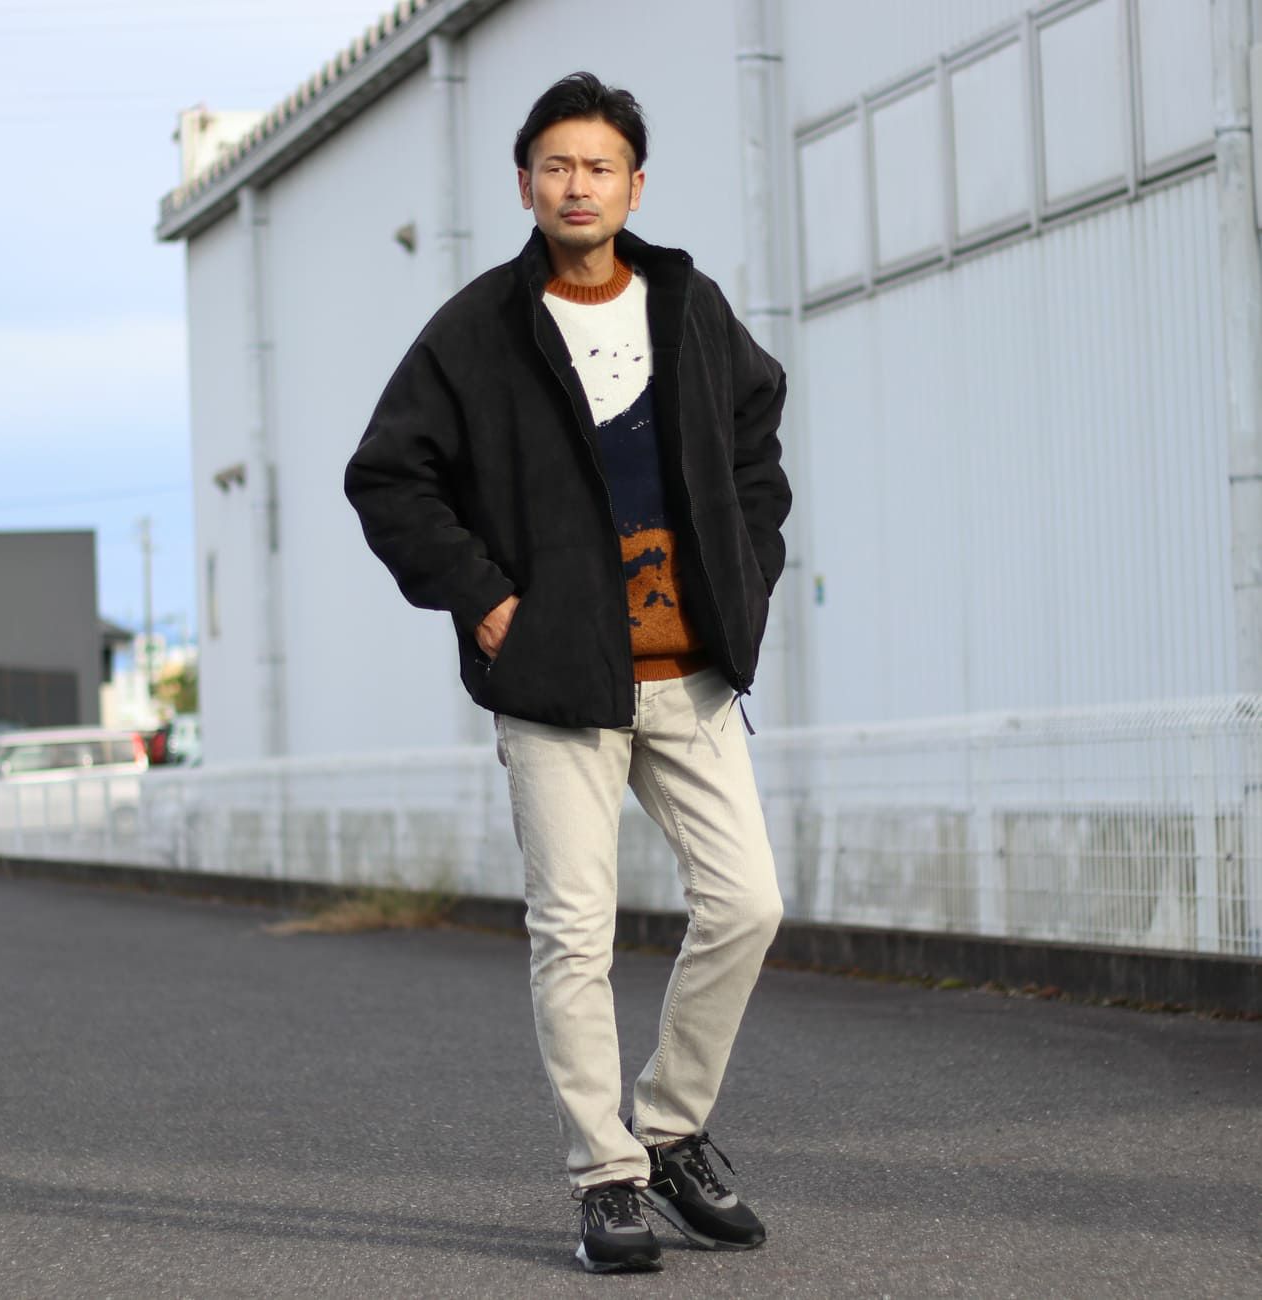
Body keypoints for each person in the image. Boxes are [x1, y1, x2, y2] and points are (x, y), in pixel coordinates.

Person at [344, 71, 791, 1275]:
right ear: (525, 185)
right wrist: (485, 600)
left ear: (635, 184)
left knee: (747, 904)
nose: (577, 186)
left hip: (689, 672)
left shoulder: (687, 306)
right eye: (556, 166)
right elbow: (388, 476)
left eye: (599, 167)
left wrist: (748, 572)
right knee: (575, 933)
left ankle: (670, 1129)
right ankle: (606, 1176)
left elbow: (755, 441)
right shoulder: (476, 329)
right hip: (554, 682)